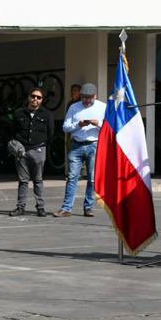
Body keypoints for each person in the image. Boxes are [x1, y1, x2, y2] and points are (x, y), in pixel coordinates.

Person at [55, 82, 106, 218]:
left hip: (94, 145)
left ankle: (88, 207)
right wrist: (78, 124)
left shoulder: (103, 107)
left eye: (89, 98)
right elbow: (65, 127)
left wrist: (98, 124)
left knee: (92, 178)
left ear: (95, 96)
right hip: (76, 145)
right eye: (84, 97)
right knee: (72, 177)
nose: (86, 100)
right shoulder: (74, 107)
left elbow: (110, 128)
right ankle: (66, 208)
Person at [9, 87, 55, 217]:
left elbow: (51, 134)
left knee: (38, 179)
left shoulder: (47, 115)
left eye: (38, 97)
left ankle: (40, 207)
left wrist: (43, 146)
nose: (35, 99)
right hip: (21, 150)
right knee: (23, 180)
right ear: (28, 97)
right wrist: (16, 145)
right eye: (33, 96)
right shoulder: (18, 113)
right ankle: (20, 207)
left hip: (38, 149)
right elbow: (13, 130)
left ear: (42, 100)